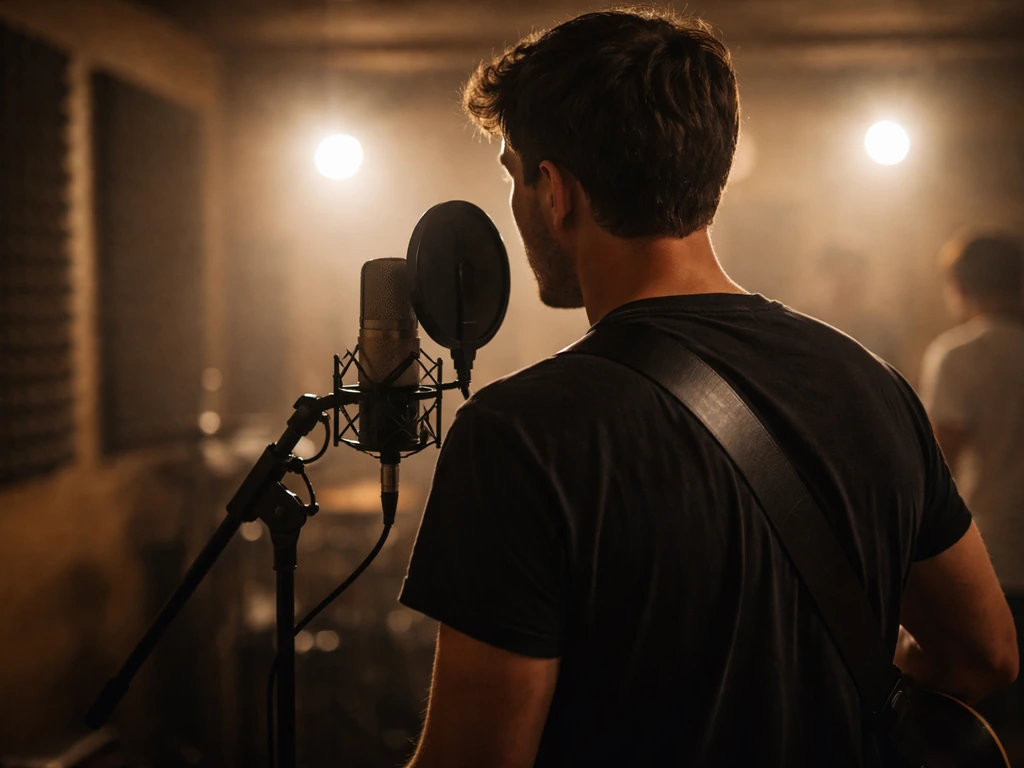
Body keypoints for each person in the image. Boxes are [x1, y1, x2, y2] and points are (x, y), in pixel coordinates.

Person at [398, 9, 1018, 767]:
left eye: (512, 174)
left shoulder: (518, 435)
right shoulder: (872, 385)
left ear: (554, 191)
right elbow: (985, 655)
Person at [919, 232, 1024, 754]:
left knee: (989, 735)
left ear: (958, 287)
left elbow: (937, 474)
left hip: (991, 563)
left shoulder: (959, 355)